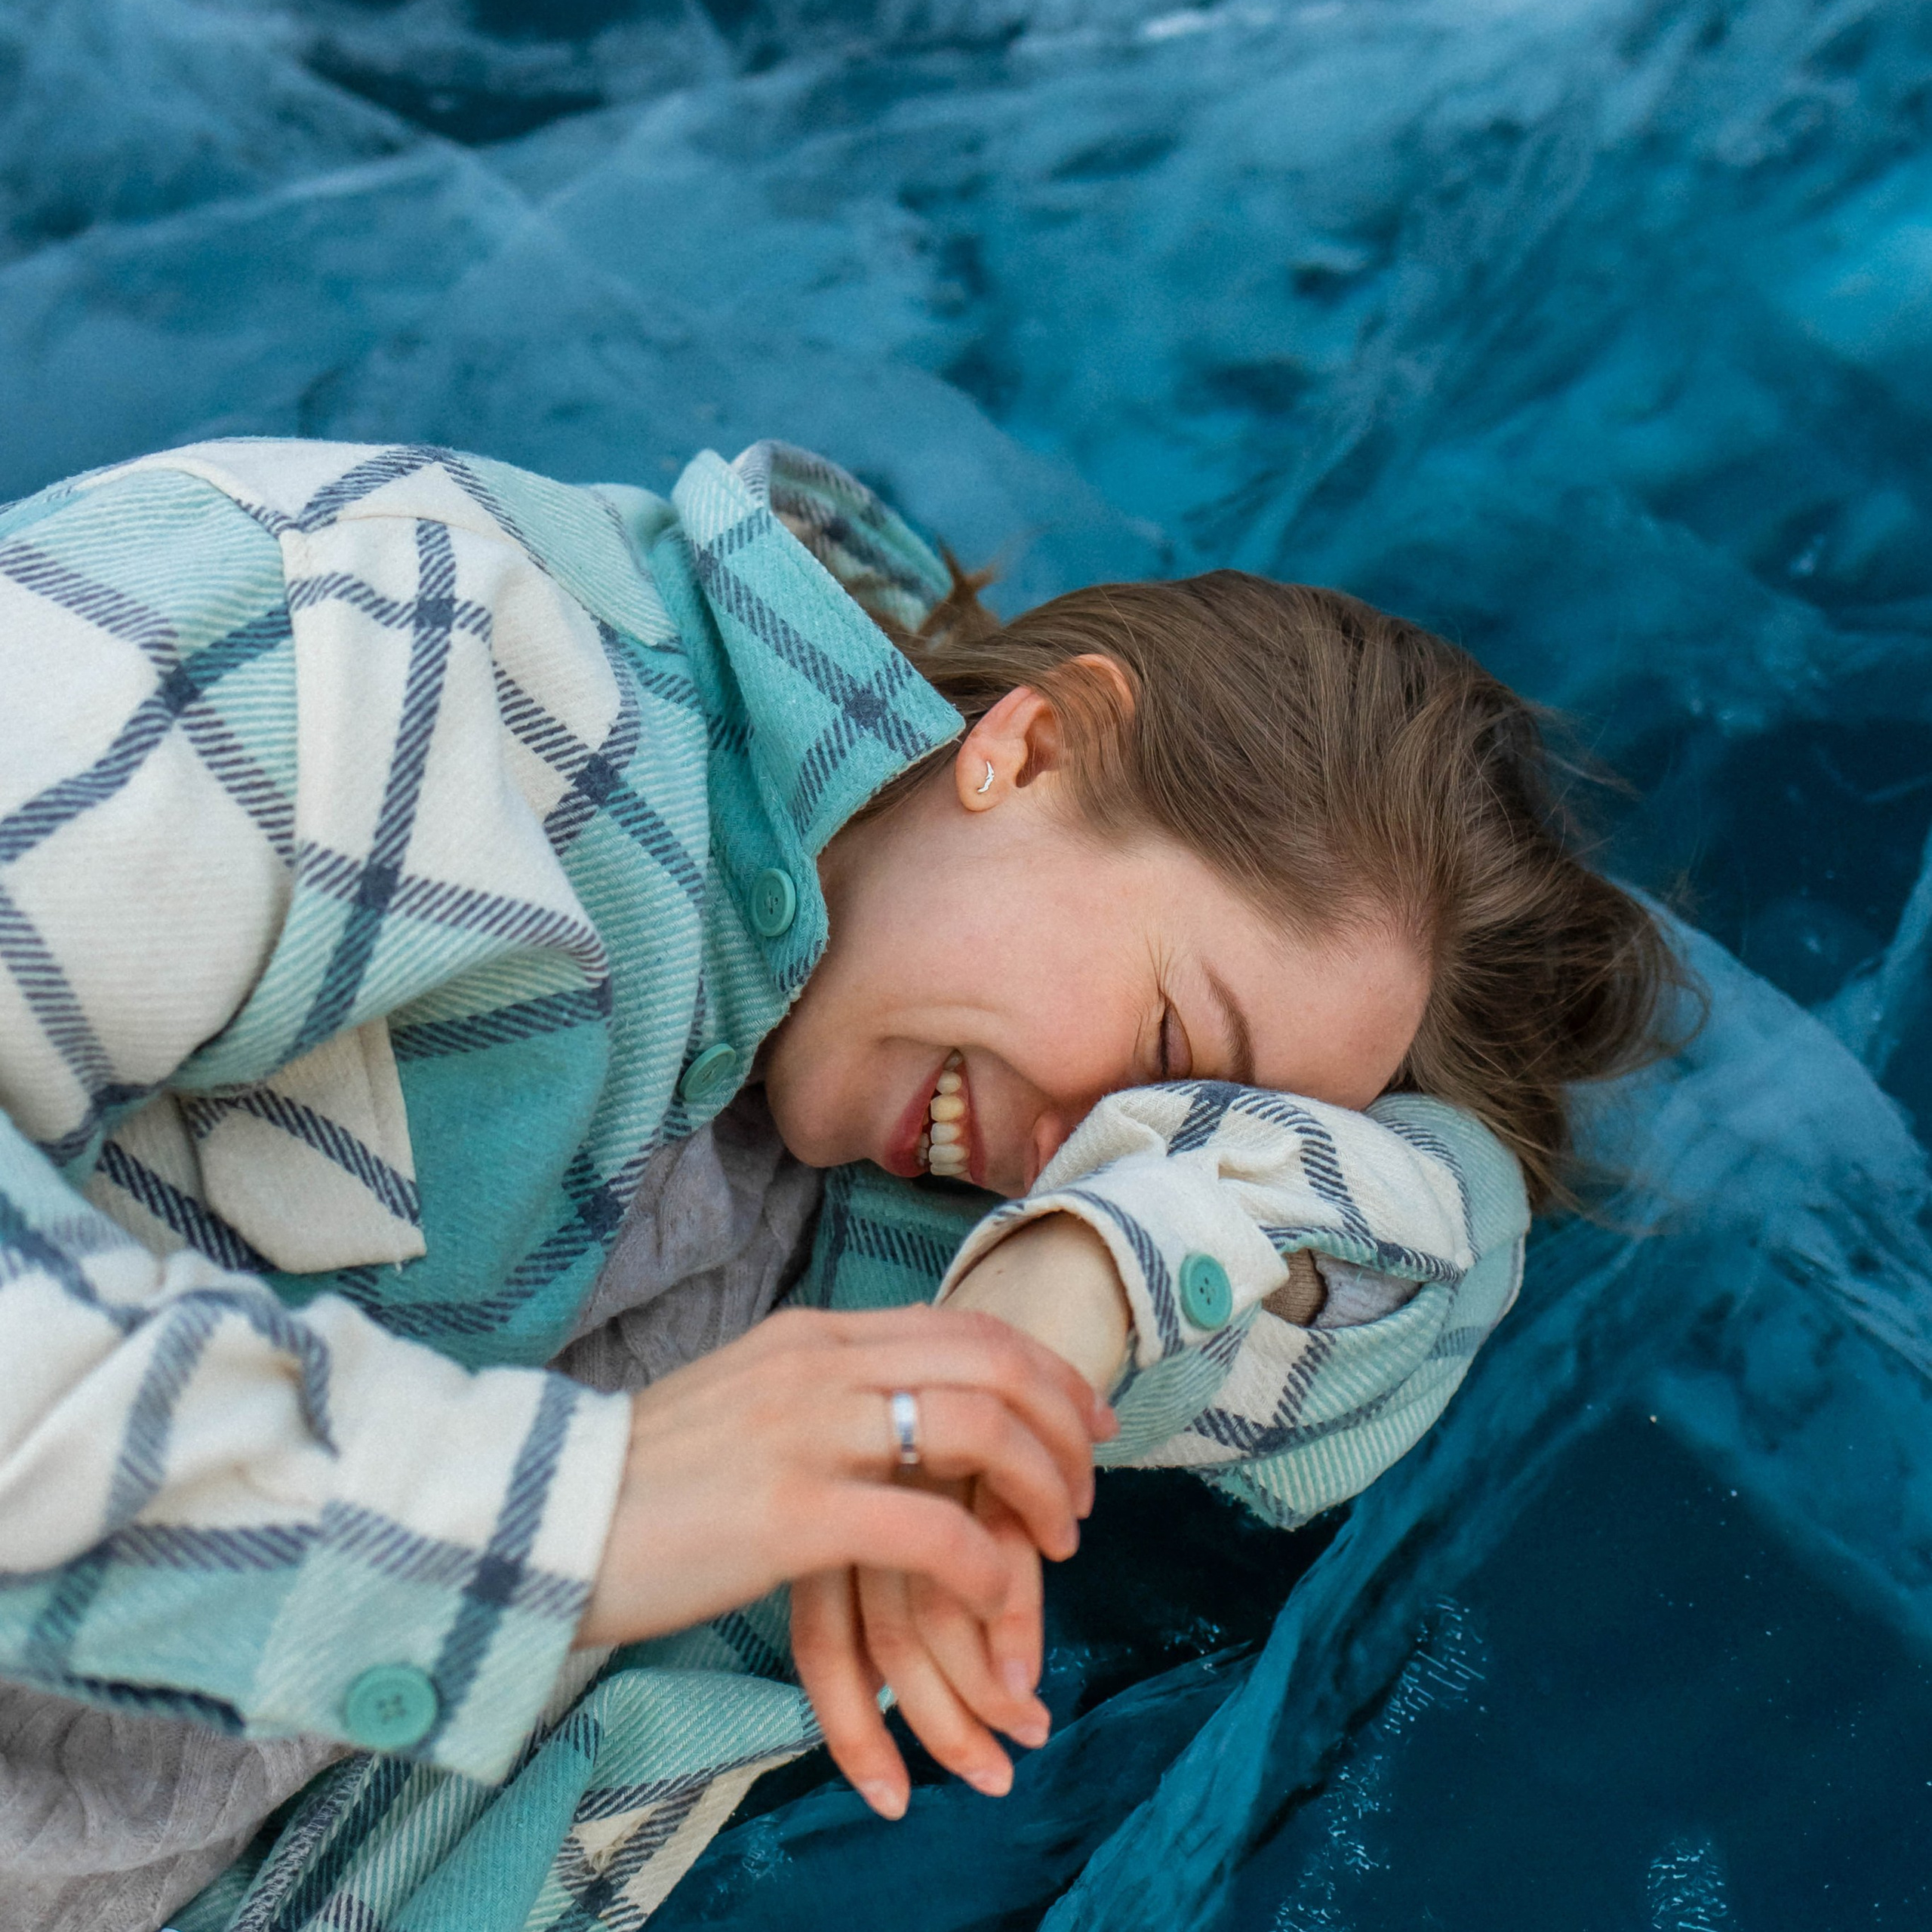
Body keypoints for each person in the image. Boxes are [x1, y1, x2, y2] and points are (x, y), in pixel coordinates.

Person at [0, 437, 1673, 1931]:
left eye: (1176, 1120)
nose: (1075, 1143)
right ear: (1036, 744)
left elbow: (1439, 1248)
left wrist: (1081, 1278)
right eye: (1167, 1044)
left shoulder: (936, 1196)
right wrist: (577, 1516)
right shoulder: (393, 639)